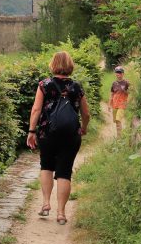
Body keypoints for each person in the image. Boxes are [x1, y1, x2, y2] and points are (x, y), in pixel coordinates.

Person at [25, 51, 91, 225]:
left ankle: (46, 204)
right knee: (64, 172)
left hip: (47, 133)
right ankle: (61, 213)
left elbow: (36, 110)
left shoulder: (44, 85)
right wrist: (83, 128)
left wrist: (31, 131)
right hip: (71, 135)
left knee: (46, 166)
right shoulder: (77, 87)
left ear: (53, 65)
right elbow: (86, 113)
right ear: (70, 65)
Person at [109, 66, 130, 136]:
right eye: (117, 72)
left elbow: (130, 92)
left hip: (122, 104)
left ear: (123, 74)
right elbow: (112, 94)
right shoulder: (114, 83)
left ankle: (119, 137)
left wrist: (125, 91)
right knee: (116, 122)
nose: (118, 74)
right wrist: (109, 104)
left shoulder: (126, 83)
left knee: (118, 120)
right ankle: (119, 135)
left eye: (119, 72)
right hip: (114, 104)